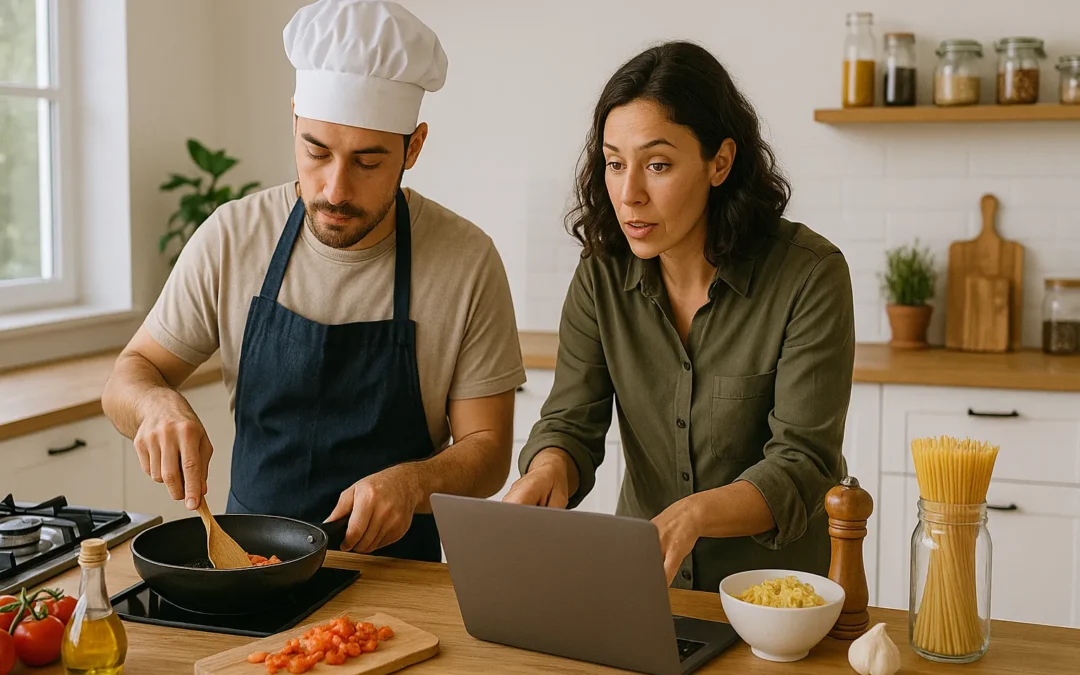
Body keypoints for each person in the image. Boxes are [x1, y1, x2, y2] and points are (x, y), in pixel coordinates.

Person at [102, 0, 526, 563]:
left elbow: (489, 450)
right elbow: (127, 379)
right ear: (295, 121)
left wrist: (414, 483)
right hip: (247, 564)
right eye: (316, 151)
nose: (335, 189)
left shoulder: (466, 261)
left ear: (414, 147)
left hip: (398, 579)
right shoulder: (233, 235)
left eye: (368, 162)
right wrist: (155, 404)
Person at [503, 41, 855, 593]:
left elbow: (802, 463)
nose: (628, 194)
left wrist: (695, 515)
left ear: (720, 162)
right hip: (644, 588)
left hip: (773, 602)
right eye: (615, 163)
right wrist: (547, 470)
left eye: (658, 165)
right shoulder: (601, 276)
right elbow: (572, 422)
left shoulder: (809, 276)